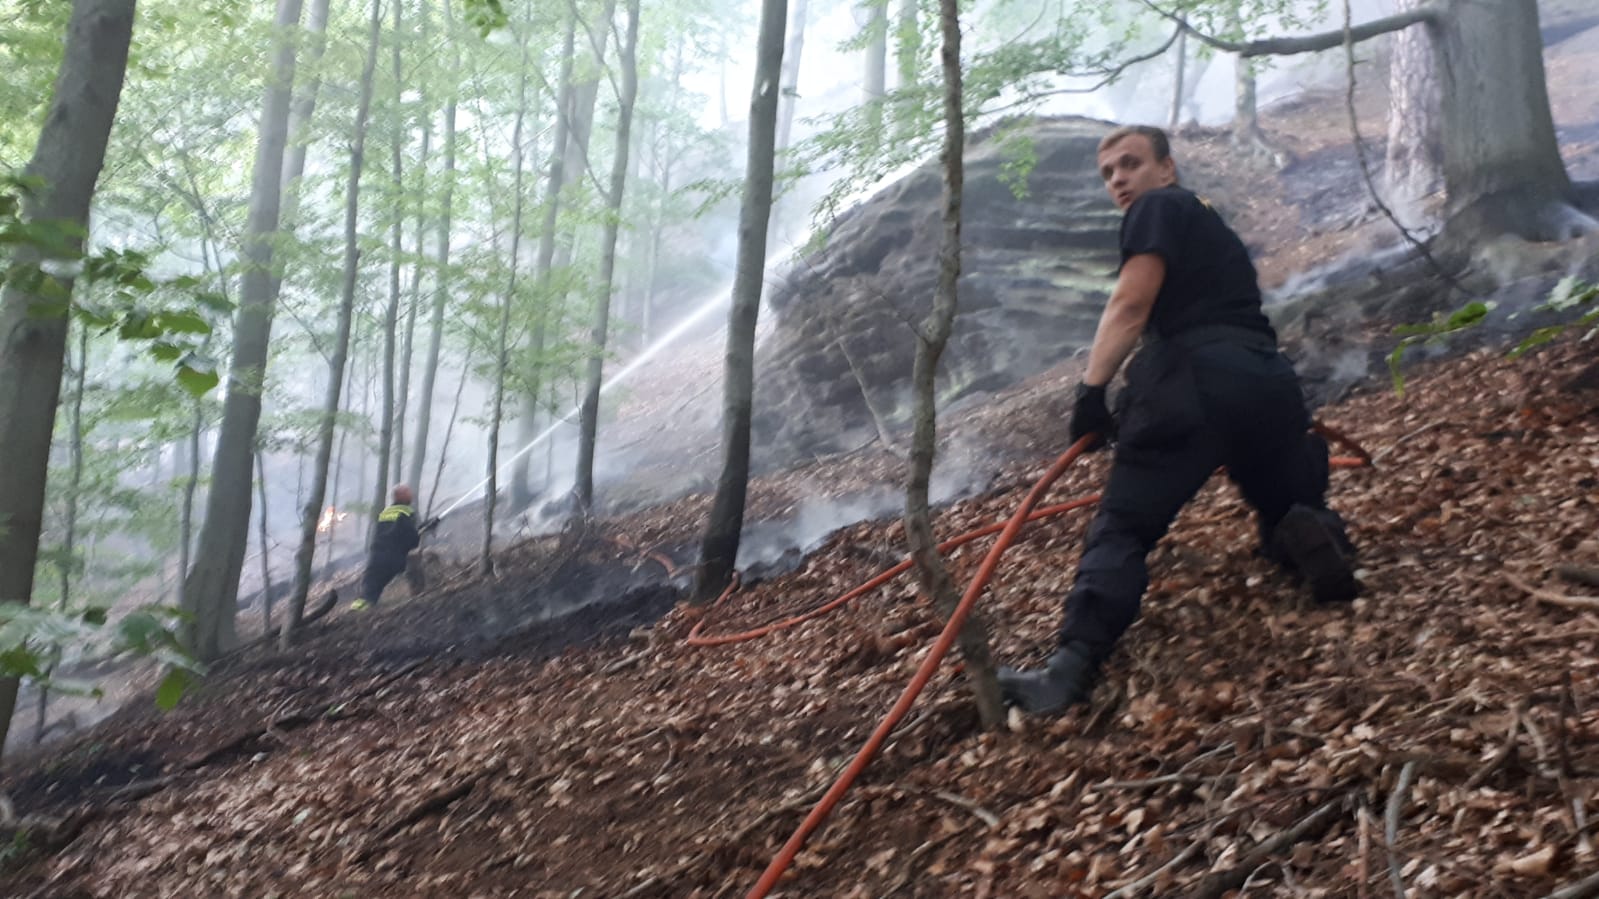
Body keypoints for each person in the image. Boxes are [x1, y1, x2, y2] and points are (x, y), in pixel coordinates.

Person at [997, 125, 1358, 716]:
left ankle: (1066, 671)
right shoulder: (1212, 224)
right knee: (1282, 496)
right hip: (1266, 379)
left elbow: (1131, 303)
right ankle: (1310, 537)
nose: (1118, 179)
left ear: (1167, 168)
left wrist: (1092, 391)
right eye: (1109, 173)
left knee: (1123, 527)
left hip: (1190, 381)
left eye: (1130, 164)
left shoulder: (1158, 207)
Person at [352, 484, 436, 611]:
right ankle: (419, 597)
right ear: (400, 496)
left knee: (371, 585)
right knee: (414, 568)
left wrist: (425, 526)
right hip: (395, 556)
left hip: (377, 554)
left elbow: (387, 532)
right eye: (408, 492)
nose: (411, 495)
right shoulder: (406, 511)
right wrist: (422, 533)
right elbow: (410, 535)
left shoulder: (385, 512)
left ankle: (360, 610)